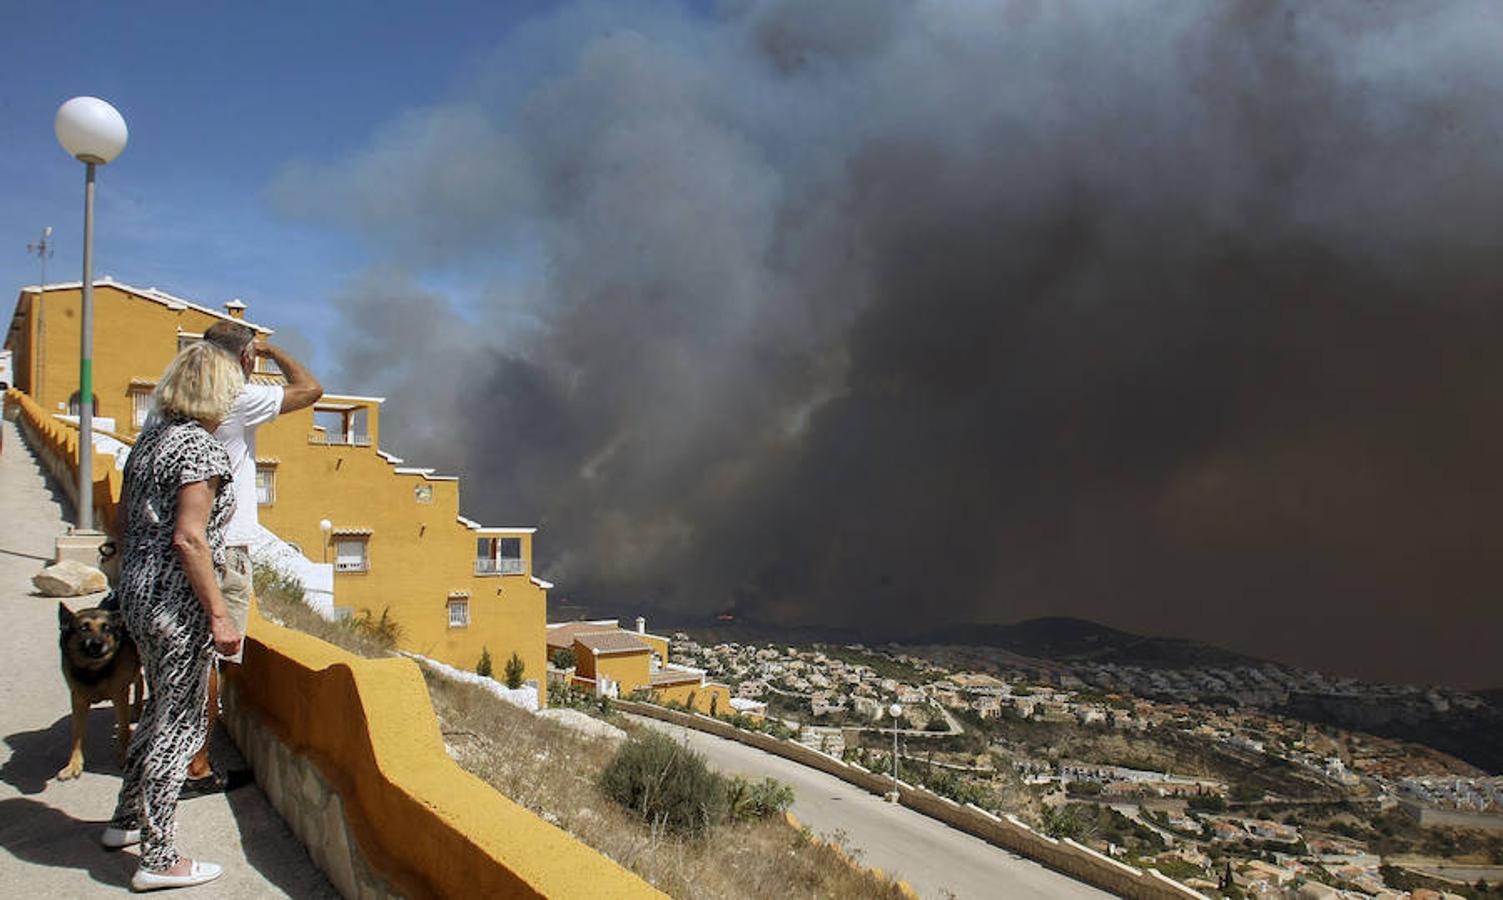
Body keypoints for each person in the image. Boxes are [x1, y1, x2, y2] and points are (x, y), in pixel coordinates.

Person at [101, 341, 244, 891]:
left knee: (159, 708)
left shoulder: (150, 442)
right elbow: (190, 538)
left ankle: (124, 821)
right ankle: (159, 859)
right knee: (180, 726)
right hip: (177, 601)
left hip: (138, 591)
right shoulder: (200, 451)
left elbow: (121, 520)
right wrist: (219, 615)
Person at [181, 320, 321, 793]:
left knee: (184, 658)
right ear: (243, 360)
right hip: (222, 548)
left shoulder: (174, 405)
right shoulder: (238, 398)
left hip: (184, 547)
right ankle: (197, 764)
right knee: (207, 662)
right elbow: (310, 389)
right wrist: (271, 351)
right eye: (250, 357)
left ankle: (176, 754)